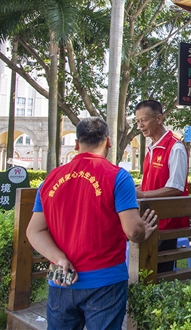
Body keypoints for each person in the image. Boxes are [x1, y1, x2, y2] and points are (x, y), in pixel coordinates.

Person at [26, 117, 157, 330]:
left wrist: (59, 259)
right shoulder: (118, 177)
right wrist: (144, 231)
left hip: (61, 277)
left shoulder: (50, 179)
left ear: (76, 144)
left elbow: (34, 231)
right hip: (105, 280)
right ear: (108, 142)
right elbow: (133, 231)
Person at [135, 100, 190, 273]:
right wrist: (134, 191)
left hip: (166, 222)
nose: (140, 126)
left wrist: (143, 195)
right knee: (147, 271)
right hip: (149, 221)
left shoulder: (175, 147)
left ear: (159, 118)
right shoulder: (151, 148)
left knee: (160, 272)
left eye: (144, 120)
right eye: (137, 121)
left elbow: (176, 187)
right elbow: (149, 183)